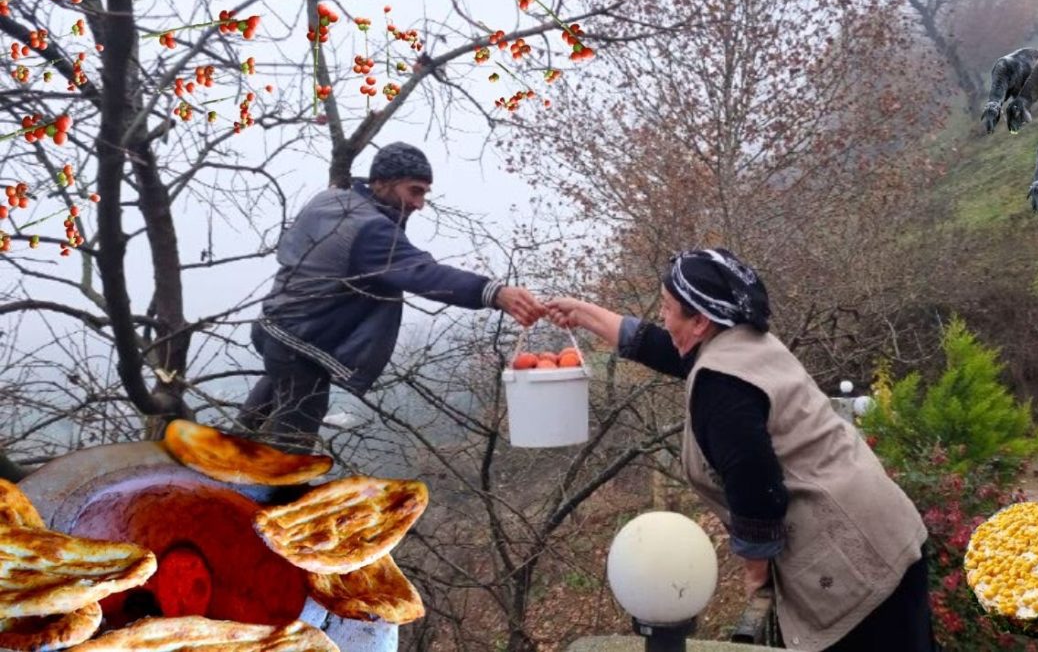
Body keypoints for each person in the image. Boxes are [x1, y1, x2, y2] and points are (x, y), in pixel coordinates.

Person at [546, 248, 934, 652]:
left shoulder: (721, 387)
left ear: (700, 321)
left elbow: (755, 485)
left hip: (852, 561)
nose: (662, 316)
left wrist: (756, 568)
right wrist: (583, 314)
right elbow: (665, 347)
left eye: (667, 308)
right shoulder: (746, 341)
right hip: (885, 526)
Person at [239, 142, 545, 451]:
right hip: (301, 345)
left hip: (272, 327)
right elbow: (424, 274)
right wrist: (495, 293)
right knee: (292, 450)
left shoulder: (330, 200)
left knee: (251, 424)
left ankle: (211, 466)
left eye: (424, 193)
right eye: (414, 191)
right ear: (381, 182)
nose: (420, 203)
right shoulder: (370, 229)